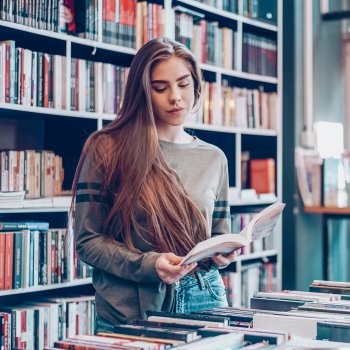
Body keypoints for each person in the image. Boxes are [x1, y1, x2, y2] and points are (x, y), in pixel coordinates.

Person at [72, 37, 240, 333]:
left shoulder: (215, 158)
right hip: (133, 308)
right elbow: (88, 243)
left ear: (197, 85)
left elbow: (217, 234)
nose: (175, 96)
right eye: (160, 88)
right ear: (142, 92)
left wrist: (223, 254)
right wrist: (150, 264)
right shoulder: (107, 148)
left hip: (206, 300)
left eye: (184, 84)